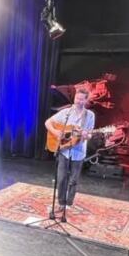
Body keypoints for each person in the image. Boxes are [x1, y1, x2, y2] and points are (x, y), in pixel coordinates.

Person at [45, 88, 95, 216]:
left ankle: (68, 204)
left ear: (86, 100)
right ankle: (61, 203)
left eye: (81, 99)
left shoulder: (89, 115)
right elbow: (48, 123)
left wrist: (86, 136)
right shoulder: (66, 113)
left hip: (78, 152)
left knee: (73, 180)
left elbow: (89, 134)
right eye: (76, 98)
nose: (78, 101)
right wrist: (56, 132)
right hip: (64, 150)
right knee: (61, 178)